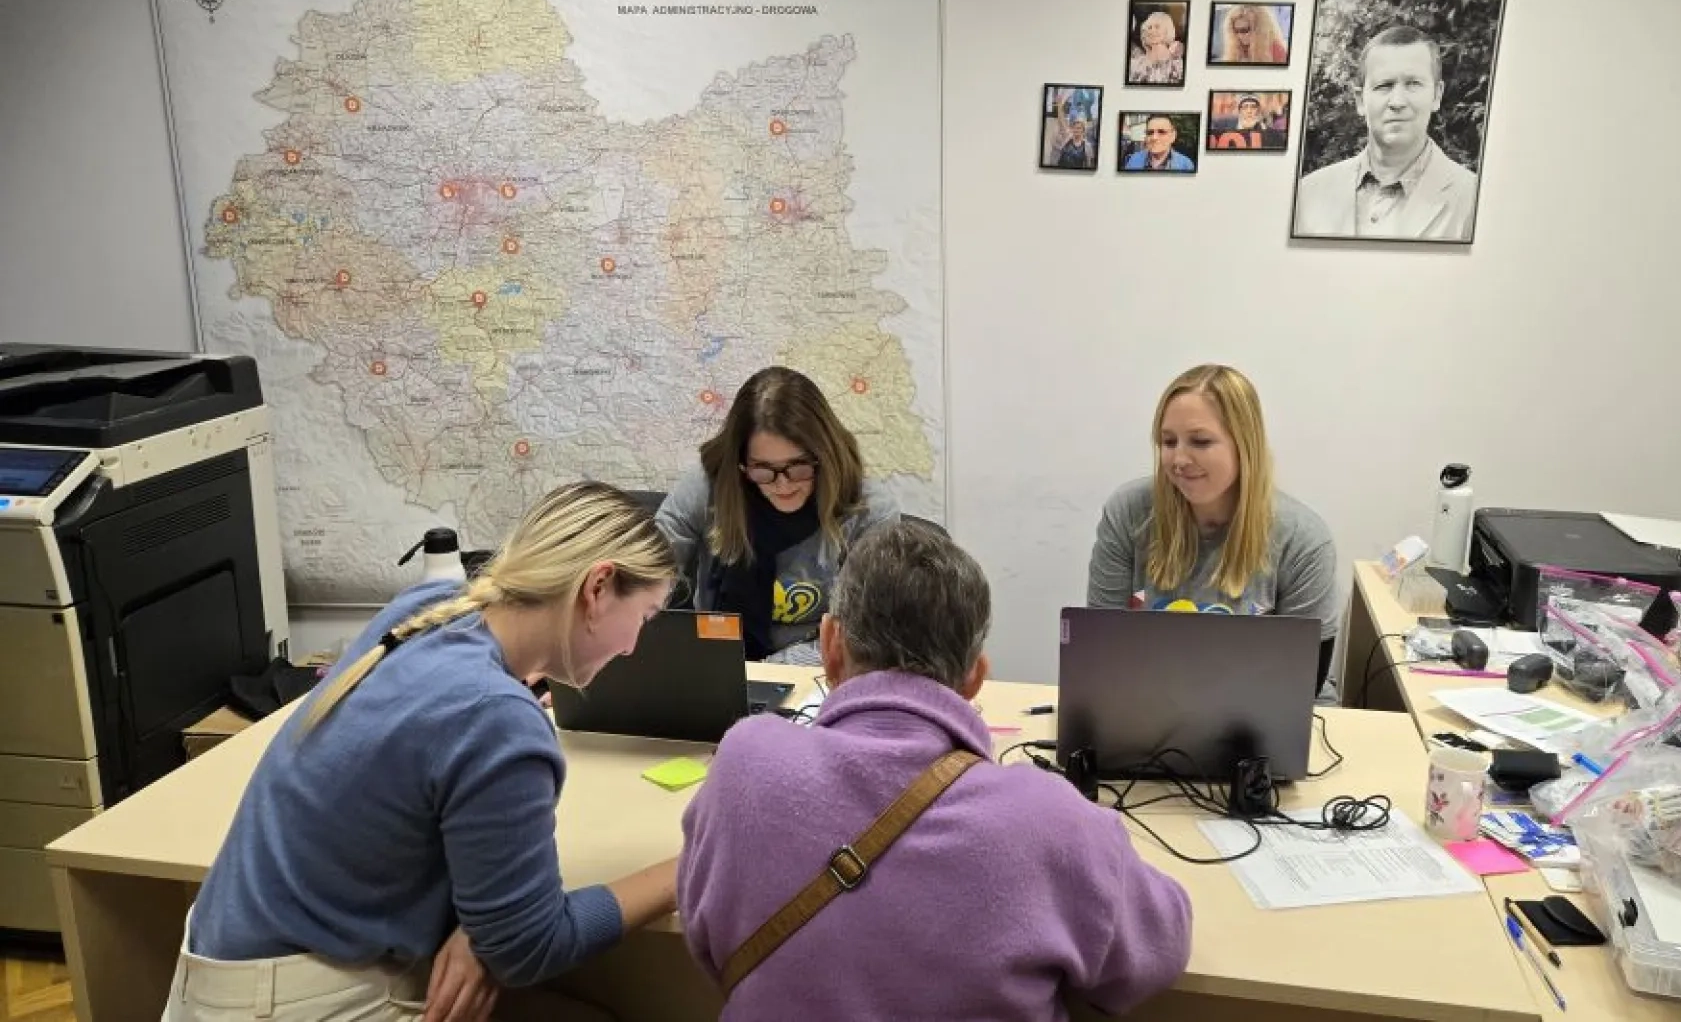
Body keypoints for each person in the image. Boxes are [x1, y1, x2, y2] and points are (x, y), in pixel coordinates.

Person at [171, 482, 682, 1021]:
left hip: (218, 976)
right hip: (297, 1000)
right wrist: (689, 868)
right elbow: (531, 946)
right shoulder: (497, 719)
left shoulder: (430, 608)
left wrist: (479, 922)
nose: (631, 648)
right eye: (644, 618)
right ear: (598, 587)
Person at [680, 521, 1193, 1019]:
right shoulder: (1054, 820)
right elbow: (1156, 953)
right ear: (975, 679)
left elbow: (707, 943)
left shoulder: (742, 763)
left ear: (831, 646)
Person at [1087, 364, 1342, 692]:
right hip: (1149, 706)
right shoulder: (1129, 513)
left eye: (1200, 441)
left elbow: (1307, 682)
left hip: (1260, 719)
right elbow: (1100, 648)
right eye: (1168, 441)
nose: (1178, 458)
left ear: (1244, 445)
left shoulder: (1303, 539)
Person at [655, 366, 897, 661]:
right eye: (763, 469)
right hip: (715, 662)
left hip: (817, 673)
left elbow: (863, 632)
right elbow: (649, 571)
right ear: (741, 465)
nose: (783, 485)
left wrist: (761, 675)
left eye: (799, 467)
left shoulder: (870, 509)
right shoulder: (709, 486)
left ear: (825, 455)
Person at [1294, 25, 1479, 241]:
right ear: (1360, 101)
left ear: (1437, 95)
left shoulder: (1474, 200)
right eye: (1384, 85)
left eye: (1413, 84)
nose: (1398, 102)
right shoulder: (1307, 195)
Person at [1127, 10, 1185, 85]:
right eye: (1149, 28)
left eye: (1157, 27)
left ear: (1167, 30)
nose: (1152, 31)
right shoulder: (1136, 64)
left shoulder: (1177, 65)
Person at [1217, 3, 1287, 65]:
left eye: (1244, 30)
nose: (1239, 36)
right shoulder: (1236, 50)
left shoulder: (1276, 49)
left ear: (1259, 29)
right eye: (1235, 30)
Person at [1122, 114, 1195, 172]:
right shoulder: (1133, 160)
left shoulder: (1186, 164)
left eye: (1162, 132)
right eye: (1150, 132)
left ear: (1173, 136)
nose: (1154, 137)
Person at [1209, 95, 1284, 150]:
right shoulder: (1226, 130)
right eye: (1245, 107)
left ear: (1258, 110)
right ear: (1240, 110)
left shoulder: (1271, 133)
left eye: (1253, 107)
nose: (1249, 111)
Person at [1047, 91, 1096, 169]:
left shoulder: (1087, 146)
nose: (1076, 130)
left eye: (1079, 128)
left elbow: (1089, 165)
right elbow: (1062, 122)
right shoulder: (1068, 136)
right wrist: (1059, 107)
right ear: (1072, 128)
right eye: (1075, 127)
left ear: (1083, 130)